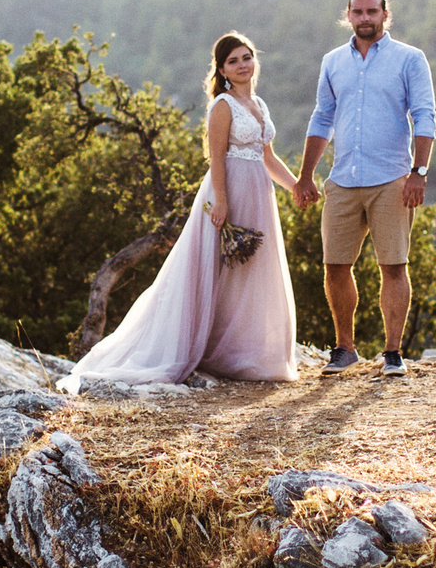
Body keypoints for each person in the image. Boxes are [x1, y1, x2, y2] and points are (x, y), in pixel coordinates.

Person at [66, 31, 300, 385]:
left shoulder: (260, 104)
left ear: (255, 60)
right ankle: (200, 347)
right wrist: (221, 201)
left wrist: (296, 186)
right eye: (233, 61)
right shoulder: (223, 106)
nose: (242, 66)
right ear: (221, 70)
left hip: (259, 194)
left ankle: (242, 350)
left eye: (246, 58)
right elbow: (217, 157)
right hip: (229, 190)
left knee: (249, 270)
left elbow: (267, 157)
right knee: (214, 267)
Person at [292, 0, 436, 377]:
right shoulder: (333, 62)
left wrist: (418, 172)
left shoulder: (410, 59)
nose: (365, 18)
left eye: (373, 11)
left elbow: (424, 116)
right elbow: (322, 118)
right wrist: (306, 176)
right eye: (358, 12)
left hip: (392, 177)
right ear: (348, 15)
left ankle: (392, 353)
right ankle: (345, 348)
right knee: (335, 266)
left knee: (393, 265)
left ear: (386, 15)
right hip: (342, 178)